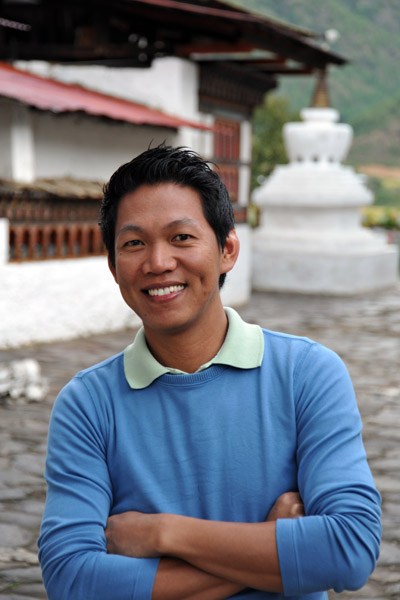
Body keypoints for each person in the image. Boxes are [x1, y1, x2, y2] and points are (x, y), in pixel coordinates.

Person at [38, 145, 381, 599]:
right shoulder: (88, 404)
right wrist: (271, 548)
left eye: (181, 237)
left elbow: (350, 549)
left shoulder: (306, 374)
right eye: (134, 243)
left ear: (227, 250)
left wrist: (163, 534)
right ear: (113, 267)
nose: (158, 262)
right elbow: (72, 578)